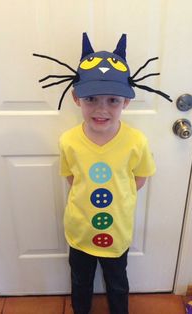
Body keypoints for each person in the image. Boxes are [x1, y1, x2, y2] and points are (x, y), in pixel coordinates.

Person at [59, 33, 156, 314]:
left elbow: (140, 178)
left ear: (125, 102)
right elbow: (71, 178)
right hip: (80, 231)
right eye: (91, 98)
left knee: (117, 282)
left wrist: (119, 196)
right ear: (77, 98)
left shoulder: (136, 141)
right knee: (80, 281)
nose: (101, 109)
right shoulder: (68, 140)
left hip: (117, 231)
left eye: (113, 100)